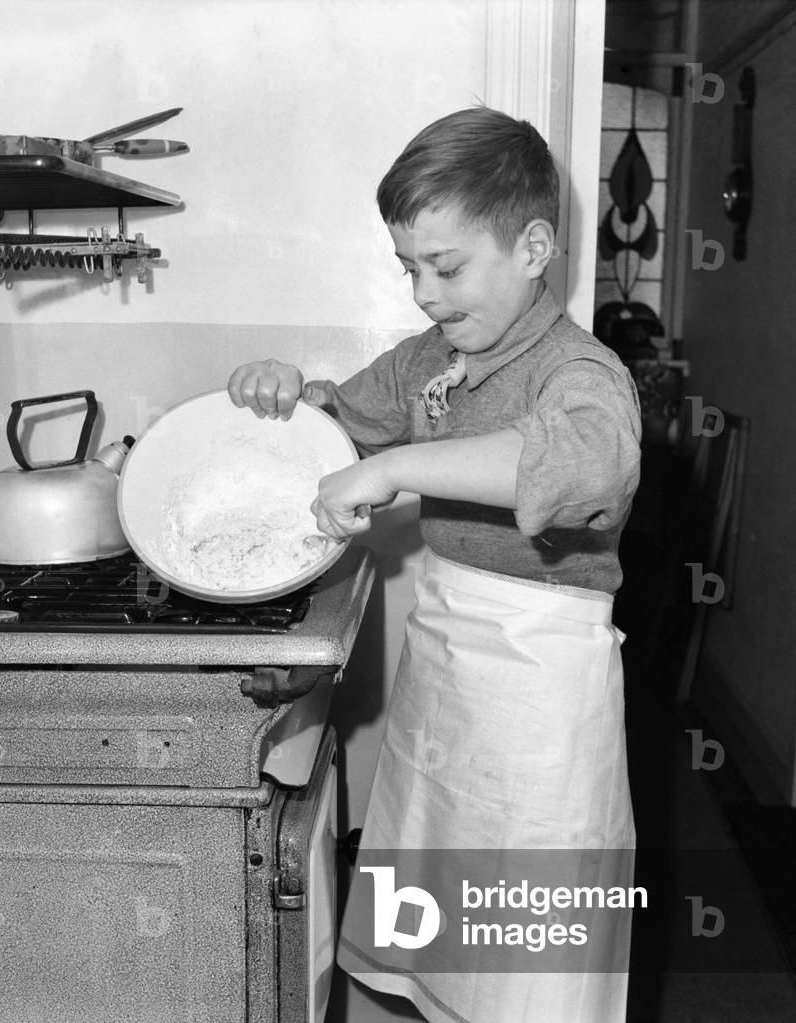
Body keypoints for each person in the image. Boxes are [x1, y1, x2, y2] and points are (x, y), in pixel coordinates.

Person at [227, 106, 640, 1023]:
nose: (424, 292)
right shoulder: (431, 358)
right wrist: (284, 391)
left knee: (530, 958)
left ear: (533, 248)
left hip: (542, 697)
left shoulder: (580, 372)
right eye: (410, 268)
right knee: (437, 938)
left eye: (445, 267)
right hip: (446, 671)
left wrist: (396, 465)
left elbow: (585, 464)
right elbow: (340, 418)